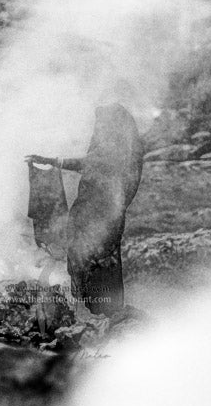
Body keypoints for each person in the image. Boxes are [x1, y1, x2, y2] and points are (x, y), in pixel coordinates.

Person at [27, 103, 144, 315]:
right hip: (90, 214)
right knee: (85, 260)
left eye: (103, 122)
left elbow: (92, 163)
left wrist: (53, 161)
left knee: (95, 261)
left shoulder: (116, 148)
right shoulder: (109, 145)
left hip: (103, 218)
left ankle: (101, 313)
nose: (98, 126)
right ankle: (93, 311)